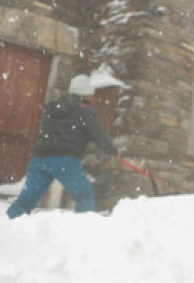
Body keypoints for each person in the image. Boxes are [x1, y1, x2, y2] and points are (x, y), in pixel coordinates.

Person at [7, 74, 119, 218]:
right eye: (91, 95)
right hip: (65, 160)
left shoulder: (54, 108)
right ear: (86, 95)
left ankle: (7, 224)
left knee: (27, 199)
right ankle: (84, 229)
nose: (92, 98)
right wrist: (113, 151)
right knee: (84, 195)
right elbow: (98, 135)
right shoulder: (85, 111)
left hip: (39, 159)